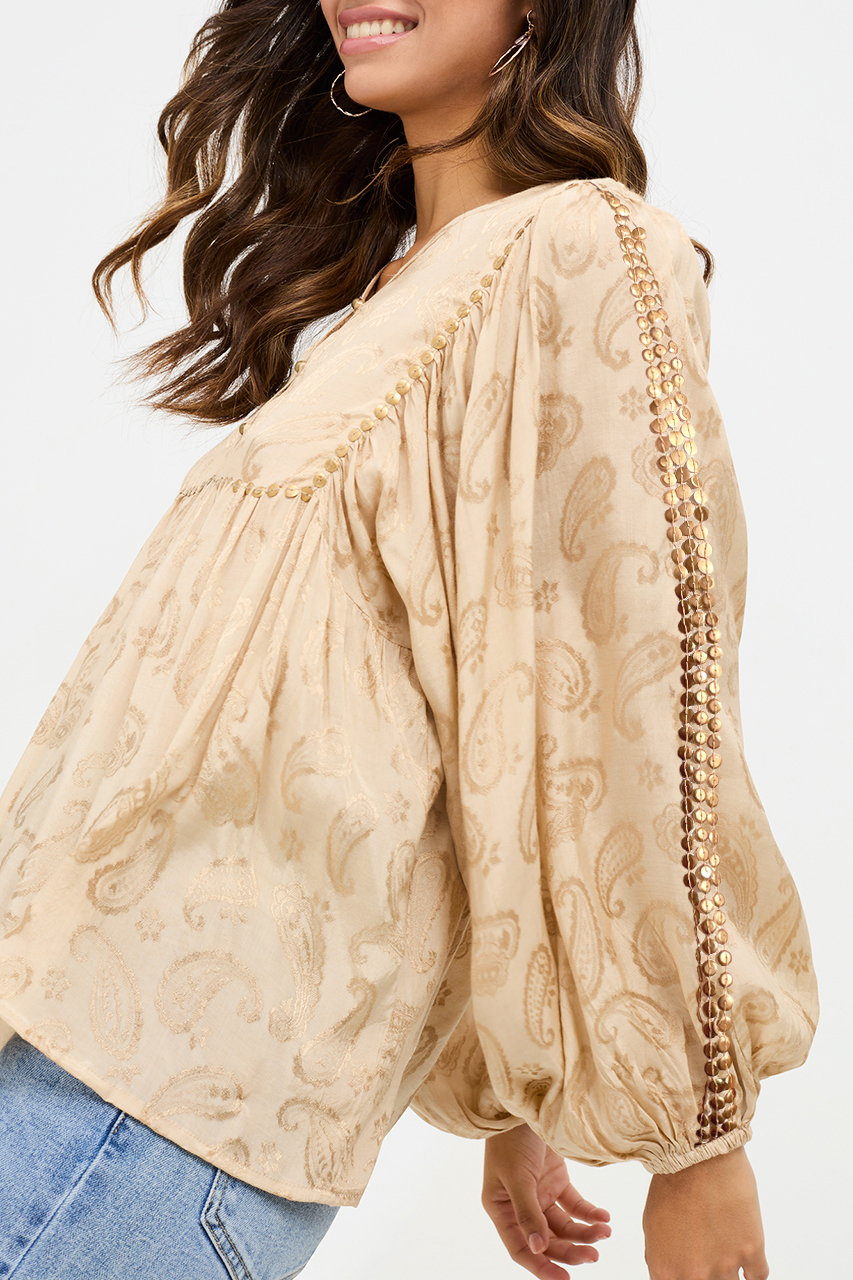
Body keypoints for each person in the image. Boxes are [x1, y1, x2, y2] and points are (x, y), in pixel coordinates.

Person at [0, 2, 818, 1278]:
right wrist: (507, 1105)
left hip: (158, 1107)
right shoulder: (394, 293)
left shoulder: (580, 247)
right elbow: (457, 711)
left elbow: (624, 700)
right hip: (67, 1044)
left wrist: (697, 1143)